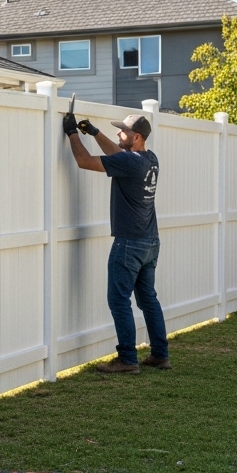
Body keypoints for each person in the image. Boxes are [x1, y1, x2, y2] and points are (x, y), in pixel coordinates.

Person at [63, 109, 171, 374]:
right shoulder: (150, 159)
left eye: (122, 131)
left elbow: (84, 161)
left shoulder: (130, 163)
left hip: (128, 244)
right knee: (148, 300)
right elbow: (118, 154)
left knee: (119, 300)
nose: (118, 133)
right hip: (149, 241)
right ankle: (159, 355)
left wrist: (72, 133)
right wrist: (95, 132)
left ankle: (127, 359)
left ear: (135, 137)